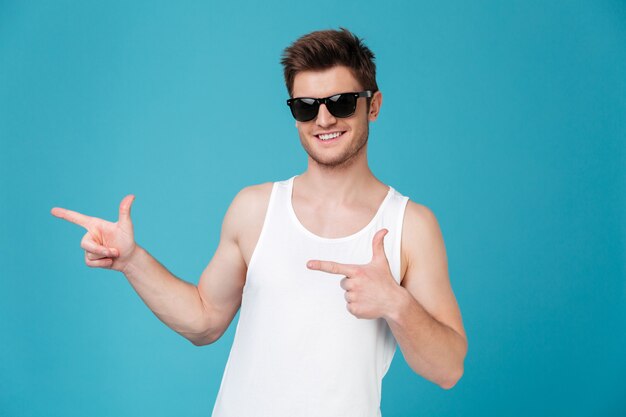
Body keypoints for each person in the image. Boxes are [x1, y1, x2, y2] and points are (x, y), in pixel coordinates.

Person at [51, 28, 467, 417]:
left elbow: (448, 369)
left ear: (372, 105)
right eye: (306, 107)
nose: (323, 120)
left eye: (341, 102)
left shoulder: (410, 225)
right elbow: (203, 320)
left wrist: (396, 303)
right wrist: (131, 260)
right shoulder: (254, 209)